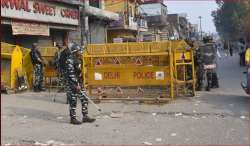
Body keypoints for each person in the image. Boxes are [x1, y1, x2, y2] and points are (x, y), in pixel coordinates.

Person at [59, 42, 95, 125]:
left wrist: (81, 83)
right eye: (79, 51)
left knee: (84, 98)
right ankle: (73, 118)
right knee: (73, 100)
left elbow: (79, 73)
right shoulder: (69, 61)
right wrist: (75, 85)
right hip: (71, 84)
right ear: (75, 51)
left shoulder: (78, 59)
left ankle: (85, 116)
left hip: (78, 83)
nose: (80, 52)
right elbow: (71, 74)